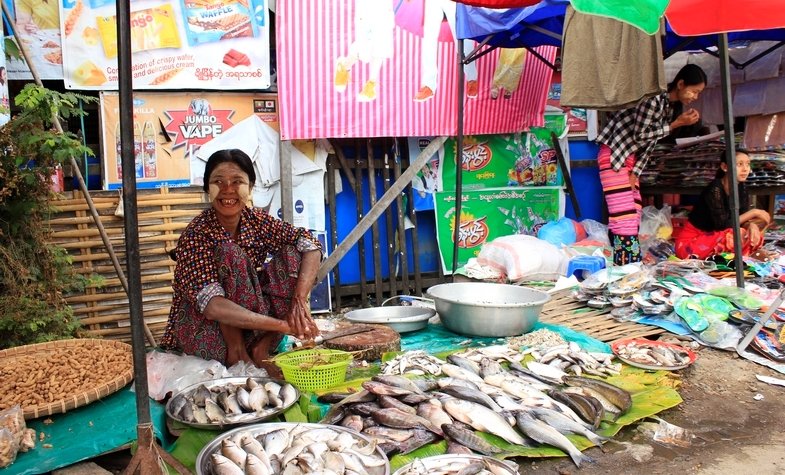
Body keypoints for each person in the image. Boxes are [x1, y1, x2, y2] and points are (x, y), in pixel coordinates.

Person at [160, 149, 322, 373]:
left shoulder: (255, 220)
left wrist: (299, 300)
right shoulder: (196, 233)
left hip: (252, 328)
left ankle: (259, 350)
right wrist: (283, 326)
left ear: (250, 187)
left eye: (237, 181)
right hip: (207, 335)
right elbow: (213, 307)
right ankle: (237, 356)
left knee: (293, 252)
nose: (228, 190)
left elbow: (310, 244)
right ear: (207, 188)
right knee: (230, 254)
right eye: (218, 181)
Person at [596, 63, 707, 265]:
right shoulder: (653, 98)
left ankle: (622, 263)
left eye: (698, 93)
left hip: (629, 160)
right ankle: (626, 267)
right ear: (680, 84)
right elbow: (641, 134)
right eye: (694, 91)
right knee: (624, 217)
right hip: (614, 155)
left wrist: (634, 173)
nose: (694, 97)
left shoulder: (667, 106)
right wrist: (676, 124)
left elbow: (649, 145)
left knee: (634, 211)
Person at [674, 150, 771, 260]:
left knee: (758, 225)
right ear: (725, 167)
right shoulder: (715, 189)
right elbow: (723, 225)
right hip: (692, 244)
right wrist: (754, 212)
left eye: (748, 164)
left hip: (717, 237)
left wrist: (751, 225)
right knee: (735, 235)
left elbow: (742, 219)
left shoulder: (742, 188)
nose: (745, 169)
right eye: (739, 164)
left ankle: (741, 256)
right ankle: (739, 256)